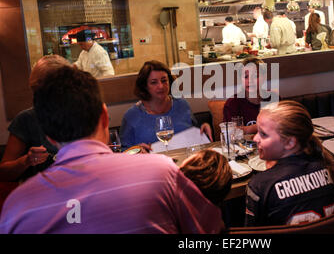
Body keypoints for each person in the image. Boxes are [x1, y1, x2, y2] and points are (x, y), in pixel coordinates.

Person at [0, 66, 223, 234]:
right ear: (105, 116)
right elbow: (210, 229)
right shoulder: (160, 172)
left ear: (49, 136)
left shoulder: (17, 207)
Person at [245, 100, 334, 227]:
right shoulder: (325, 167)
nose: (255, 138)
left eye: (263, 134)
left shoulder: (260, 185)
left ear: (290, 143)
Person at [0, 55, 71, 182]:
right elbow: (4, 173)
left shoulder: (80, 113)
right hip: (40, 193)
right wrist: (26, 161)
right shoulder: (26, 120)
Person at [120, 60, 212, 151]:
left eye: (164, 81)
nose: (161, 86)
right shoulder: (132, 116)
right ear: (144, 86)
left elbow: (192, 132)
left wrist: (204, 129)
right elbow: (123, 153)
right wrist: (136, 150)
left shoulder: (182, 105)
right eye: (154, 82)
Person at [223, 58, 278, 134]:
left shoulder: (273, 98)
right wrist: (261, 126)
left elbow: (281, 126)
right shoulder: (232, 103)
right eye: (246, 77)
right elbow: (231, 133)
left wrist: (246, 129)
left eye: (255, 76)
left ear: (264, 77)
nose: (250, 80)